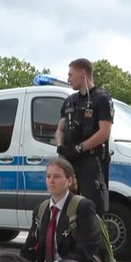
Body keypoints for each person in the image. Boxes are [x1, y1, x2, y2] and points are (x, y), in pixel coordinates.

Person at [0, 158, 118, 262]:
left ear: (70, 180)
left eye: (57, 177)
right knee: (3, 260)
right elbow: (28, 251)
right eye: (48, 176)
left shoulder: (83, 207)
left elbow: (87, 250)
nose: (51, 181)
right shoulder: (41, 209)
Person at [55, 58, 113, 216]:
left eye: (70, 74)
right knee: (67, 209)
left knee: (91, 209)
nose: (68, 79)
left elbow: (104, 132)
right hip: (69, 162)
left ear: (82, 73)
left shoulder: (101, 99)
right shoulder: (69, 102)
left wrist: (80, 148)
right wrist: (61, 146)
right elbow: (60, 129)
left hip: (91, 163)